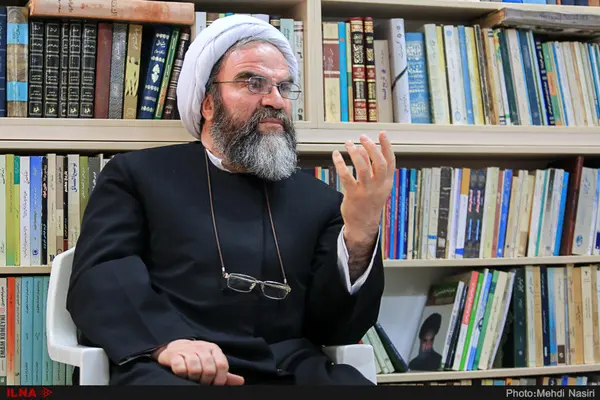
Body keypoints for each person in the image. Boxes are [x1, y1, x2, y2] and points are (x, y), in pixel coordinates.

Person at [66, 14, 395, 386]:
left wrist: (360, 235)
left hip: (286, 367)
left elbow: (336, 329)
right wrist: (166, 342)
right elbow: (102, 273)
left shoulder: (321, 202)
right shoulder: (137, 176)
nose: (275, 100)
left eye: (284, 87)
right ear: (208, 104)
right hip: (172, 364)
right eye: (253, 82)